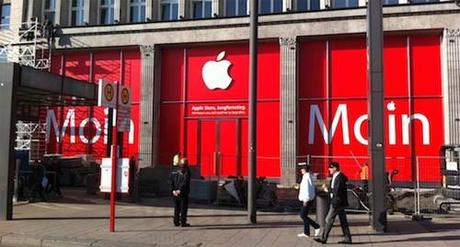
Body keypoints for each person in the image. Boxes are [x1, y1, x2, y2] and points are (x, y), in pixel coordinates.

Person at [315, 162, 352, 244]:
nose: (329, 169)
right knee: (343, 221)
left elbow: (337, 191)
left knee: (328, 219)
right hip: (338, 202)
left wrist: (327, 189)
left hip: (337, 202)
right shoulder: (336, 177)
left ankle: (323, 238)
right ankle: (348, 238)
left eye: (330, 168)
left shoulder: (339, 177)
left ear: (335, 168)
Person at [297, 163, 320, 238]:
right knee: (304, 215)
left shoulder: (307, 177)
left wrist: (305, 200)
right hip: (307, 198)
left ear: (304, 169)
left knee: (302, 215)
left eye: (301, 169)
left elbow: (307, 189)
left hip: (307, 199)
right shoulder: (307, 176)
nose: (300, 170)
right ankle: (306, 232)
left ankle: (316, 226)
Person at [169, 157, 191, 227]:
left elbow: (171, 181)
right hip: (183, 192)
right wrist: (180, 190)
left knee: (176, 207)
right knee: (183, 208)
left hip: (175, 192)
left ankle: (176, 221)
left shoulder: (174, 170)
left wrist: (173, 190)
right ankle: (183, 222)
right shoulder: (186, 171)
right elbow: (185, 182)